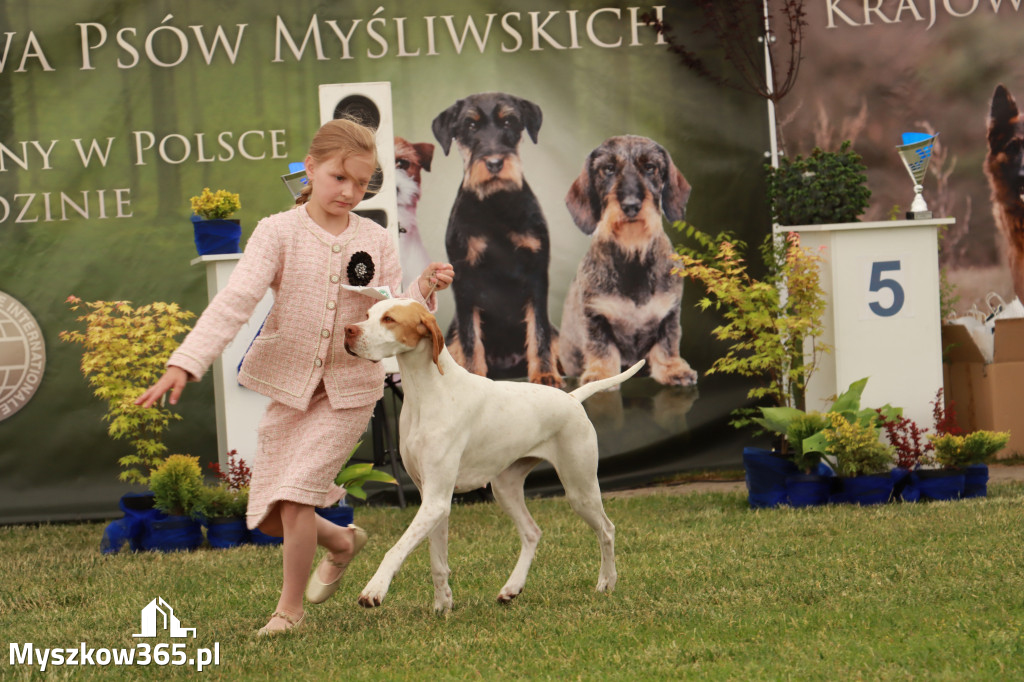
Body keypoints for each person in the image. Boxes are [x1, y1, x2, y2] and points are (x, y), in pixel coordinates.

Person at [136, 118, 454, 635]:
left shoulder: (373, 238)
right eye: (338, 179)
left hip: (351, 391)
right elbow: (235, 301)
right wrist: (185, 360)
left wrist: (422, 284)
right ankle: (343, 541)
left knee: (296, 496)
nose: (350, 192)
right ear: (310, 169)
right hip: (290, 391)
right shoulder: (277, 232)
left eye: (362, 182)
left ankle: (289, 611)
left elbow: (396, 307)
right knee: (267, 513)